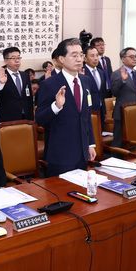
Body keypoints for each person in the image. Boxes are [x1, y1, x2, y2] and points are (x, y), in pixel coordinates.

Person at [36, 38, 96, 177]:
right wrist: (56, 106)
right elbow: (40, 118)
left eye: (81, 55)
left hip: (82, 152)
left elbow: (86, 117)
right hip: (60, 154)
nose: (79, 59)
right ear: (61, 59)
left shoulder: (86, 81)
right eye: (74, 55)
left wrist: (90, 144)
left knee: (81, 194)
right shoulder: (49, 84)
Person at [110, 47, 136, 147]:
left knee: (134, 142)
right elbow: (114, 92)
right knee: (118, 142)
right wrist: (123, 80)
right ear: (123, 59)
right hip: (122, 113)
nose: (135, 59)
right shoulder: (116, 73)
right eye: (131, 56)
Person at [0, 46, 34, 122]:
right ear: (5, 61)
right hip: (8, 118)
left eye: (18, 58)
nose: (17, 61)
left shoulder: (25, 75)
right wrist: (1, 84)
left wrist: (31, 118)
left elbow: (29, 98)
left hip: (26, 116)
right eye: (13, 58)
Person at [83, 45, 105, 124]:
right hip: (88, 110)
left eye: (97, 55)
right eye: (92, 56)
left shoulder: (101, 72)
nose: (96, 58)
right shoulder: (81, 73)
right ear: (85, 58)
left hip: (101, 109)